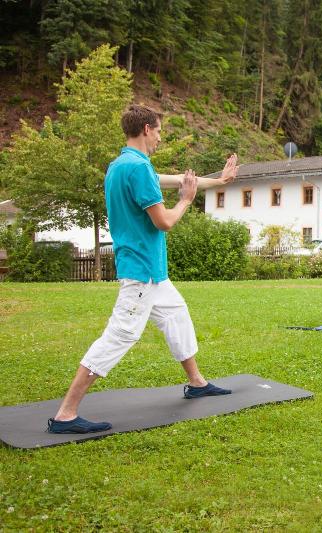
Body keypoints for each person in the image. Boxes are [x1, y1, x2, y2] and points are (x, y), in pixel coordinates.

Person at [47, 104, 239, 434]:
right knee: (119, 336)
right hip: (142, 273)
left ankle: (196, 381)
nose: (162, 138)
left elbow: (179, 179)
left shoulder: (123, 165)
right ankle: (67, 413)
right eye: (160, 131)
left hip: (151, 272)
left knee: (177, 315)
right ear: (147, 129)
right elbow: (164, 221)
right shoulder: (139, 169)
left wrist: (219, 180)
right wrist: (186, 201)